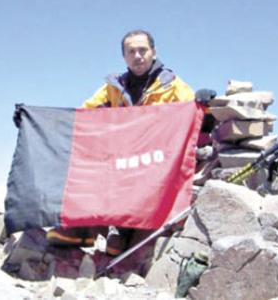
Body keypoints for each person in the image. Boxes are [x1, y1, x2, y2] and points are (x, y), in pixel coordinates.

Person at [46, 29, 195, 255]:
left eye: (142, 50)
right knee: (87, 165)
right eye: (131, 51)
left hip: (155, 158)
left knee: (134, 177)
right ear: (124, 57)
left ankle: (123, 234)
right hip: (120, 154)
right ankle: (82, 229)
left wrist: (205, 105)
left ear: (154, 53)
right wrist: (42, 123)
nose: (137, 56)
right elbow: (84, 115)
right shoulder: (113, 86)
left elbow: (193, 112)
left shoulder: (172, 85)